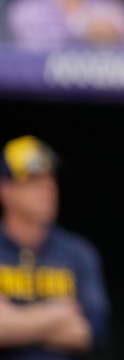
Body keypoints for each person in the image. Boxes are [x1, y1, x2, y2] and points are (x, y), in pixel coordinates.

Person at [0, 135, 110, 358]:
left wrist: (15, 322)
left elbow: (89, 333)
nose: (48, 188)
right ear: (6, 190)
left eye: (50, 178)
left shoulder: (78, 252)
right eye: (34, 180)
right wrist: (57, 314)